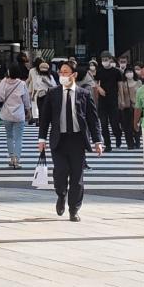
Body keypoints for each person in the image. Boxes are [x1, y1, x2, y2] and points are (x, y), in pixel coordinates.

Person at [38, 61, 104, 222]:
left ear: (73, 75)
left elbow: (93, 119)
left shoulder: (84, 94)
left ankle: (74, 209)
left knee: (77, 176)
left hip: (77, 139)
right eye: (60, 72)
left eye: (66, 72)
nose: (62, 75)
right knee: (60, 173)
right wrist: (41, 139)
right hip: (58, 139)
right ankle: (61, 195)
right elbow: (45, 118)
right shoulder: (53, 93)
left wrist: (97, 141)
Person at [0, 64, 32, 169]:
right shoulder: (22, 84)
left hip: (7, 114)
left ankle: (11, 158)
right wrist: (28, 110)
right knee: (18, 138)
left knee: (9, 137)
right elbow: (26, 99)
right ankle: (17, 159)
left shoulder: (3, 82)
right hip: (19, 114)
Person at [94, 52, 125, 152]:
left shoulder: (116, 72)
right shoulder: (99, 71)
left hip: (113, 100)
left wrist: (122, 100)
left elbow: (120, 87)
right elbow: (95, 83)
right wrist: (99, 89)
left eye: (106, 59)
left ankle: (118, 135)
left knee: (114, 123)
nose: (104, 61)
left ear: (110, 59)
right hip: (102, 101)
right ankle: (108, 145)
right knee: (103, 124)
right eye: (103, 59)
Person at [117, 67, 141, 149]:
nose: (129, 73)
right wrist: (122, 103)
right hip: (126, 107)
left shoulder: (139, 82)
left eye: (131, 71)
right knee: (127, 127)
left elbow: (141, 95)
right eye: (127, 72)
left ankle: (137, 141)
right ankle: (130, 144)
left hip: (137, 107)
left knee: (136, 125)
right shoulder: (122, 83)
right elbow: (120, 94)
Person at [28, 59, 57, 124]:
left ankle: (45, 122)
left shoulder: (50, 77)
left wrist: (46, 82)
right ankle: (40, 122)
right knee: (40, 110)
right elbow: (36, 87)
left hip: (48, 95)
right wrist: (33, 95)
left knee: (47, 110)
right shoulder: (38, 77)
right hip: (40, 95)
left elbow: (54, 86)